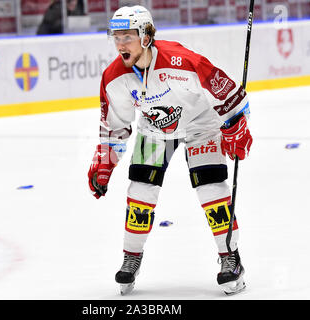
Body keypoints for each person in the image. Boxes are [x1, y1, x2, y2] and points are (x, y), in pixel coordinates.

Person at [87, 5, 253, 295]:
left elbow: (230, 94)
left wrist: (237, 125)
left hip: (202, 125)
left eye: (127, 36)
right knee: (140, 190)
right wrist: (105, 161)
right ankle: (131, 257)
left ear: (147, 36)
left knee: (211, 188)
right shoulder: (114, 77)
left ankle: (230, 257)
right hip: (154, 130)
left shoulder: (183, 61)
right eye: (116, 37)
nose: (120, 44)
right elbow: (115, 125)